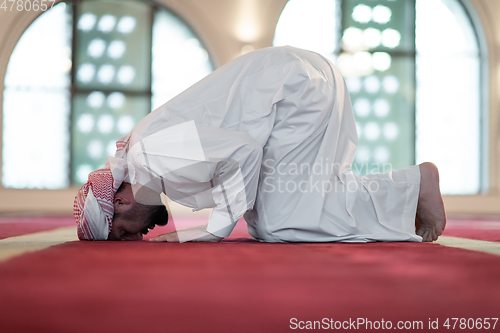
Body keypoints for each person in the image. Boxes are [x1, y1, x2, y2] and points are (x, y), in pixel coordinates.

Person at [73, 46, 446, 243]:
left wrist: (211, 231)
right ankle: (406, 193)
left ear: (118, 202)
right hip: (297, 85)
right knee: (281, 212)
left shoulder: (149, 156)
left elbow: (244, 152)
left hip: (294, 90)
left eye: (122, 231)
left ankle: (412, 187)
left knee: (279, 224)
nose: (138, 236)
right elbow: (237, 162)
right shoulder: (147, 161)